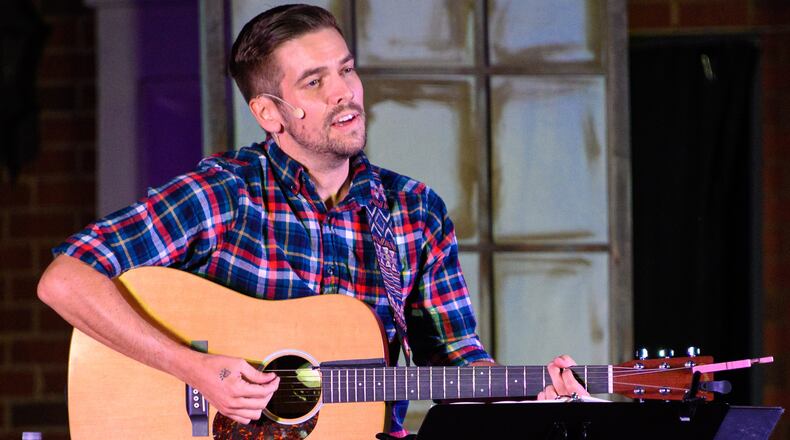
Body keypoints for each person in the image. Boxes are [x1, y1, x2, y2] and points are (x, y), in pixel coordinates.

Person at [37, 3, 587, 437]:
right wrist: (194, 368)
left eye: (346, 70)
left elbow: (455, 361)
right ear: (269, 113)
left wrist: (530, 391)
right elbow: (65, 280)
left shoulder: (414, 211)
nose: (345, 92)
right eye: (315, 81)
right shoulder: (225, 193)